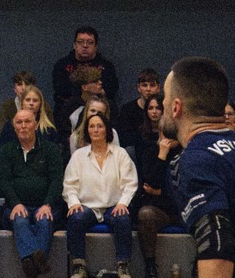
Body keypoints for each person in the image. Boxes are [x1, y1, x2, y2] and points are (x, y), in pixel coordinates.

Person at [162, 57, 235, 278]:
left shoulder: (193, 161)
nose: (163, 104)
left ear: (176, 107)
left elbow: (217, 243)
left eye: (165, 98)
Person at [63, 112, 138, 278]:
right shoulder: (78, 156)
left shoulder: (120, 154)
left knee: (123, 218)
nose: (95, 130)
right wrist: (74, 203)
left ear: (107, 130)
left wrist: (123, 203)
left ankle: (123, 265)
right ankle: (79, 266)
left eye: (99, 126)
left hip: (113, 206)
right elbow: (69, 184)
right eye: (91, 126)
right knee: (75, 218)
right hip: (87, 207)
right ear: (87, 131)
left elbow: (130, 182)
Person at [0, 109, 63, 278]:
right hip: (16, 205)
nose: (23, 126)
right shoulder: (6, 151)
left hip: (46, 205)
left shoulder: (50, 149)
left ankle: (30, 261)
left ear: (36, 125)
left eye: (27, 122)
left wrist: (47, 203)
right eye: (19, 122)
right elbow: (4, 181)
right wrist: (15, 203)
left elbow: (56, 180)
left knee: (44, 221)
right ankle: (38, 260)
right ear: (14, 127)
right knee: (20, 220)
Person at [132, 93, 181, 278]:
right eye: (164, 133)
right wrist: (162, 155)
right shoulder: (152, 151)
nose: (168, 138)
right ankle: (150, 265)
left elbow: (185, 187)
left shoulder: (187, 153)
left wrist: (160, 191)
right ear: (159, 133)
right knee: (145, 214)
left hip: (184, 209)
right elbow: (149, 183)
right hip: (162, 210)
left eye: (171, 133)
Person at [52, 25, 120, 115]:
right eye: (80, 42)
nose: (85, 45)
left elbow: (111, 89)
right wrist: (87, 91)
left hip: (100, 109)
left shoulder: (106, 66)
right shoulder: (62, 65)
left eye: (90, 42)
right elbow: (61, 90)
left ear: (96, 46)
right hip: (67, 110)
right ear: (74, 45)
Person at [114, 68, 161, 151]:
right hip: (137, 150)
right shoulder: (128, 110)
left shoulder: (166, 108)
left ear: (158, 88)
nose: (148, 89)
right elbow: (126, 139)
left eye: (152, 85)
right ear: (138, 88)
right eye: (144, 85)